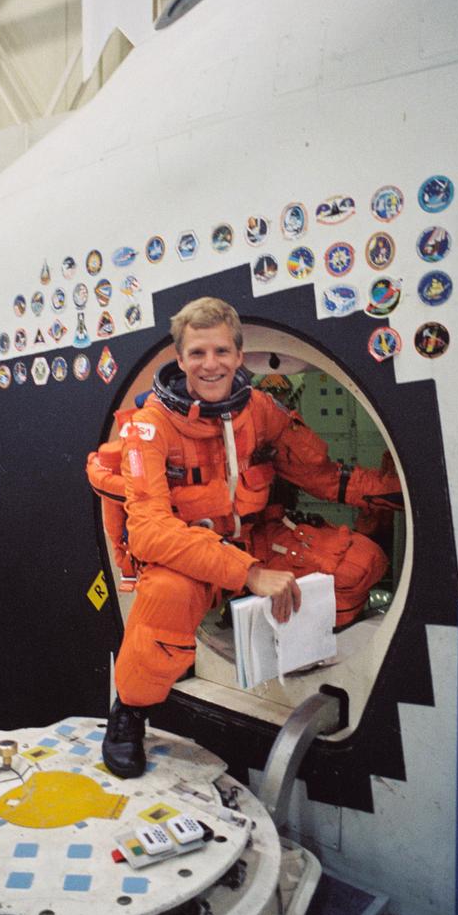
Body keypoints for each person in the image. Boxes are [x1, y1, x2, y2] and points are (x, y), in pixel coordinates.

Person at [89, 297, 402, 778]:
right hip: (190, 554)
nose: (209, 364)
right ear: (180, 360)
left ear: (239, 355)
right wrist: (249, 574)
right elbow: (150, 532)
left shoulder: (260, 411)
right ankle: (130, 712)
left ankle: (277, 637)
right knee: (167, 595)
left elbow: (318, 474)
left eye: (220, 352)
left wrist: (386, 491)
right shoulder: (152, 428)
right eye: (196, 353)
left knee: (359, 564)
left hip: (256, 538)